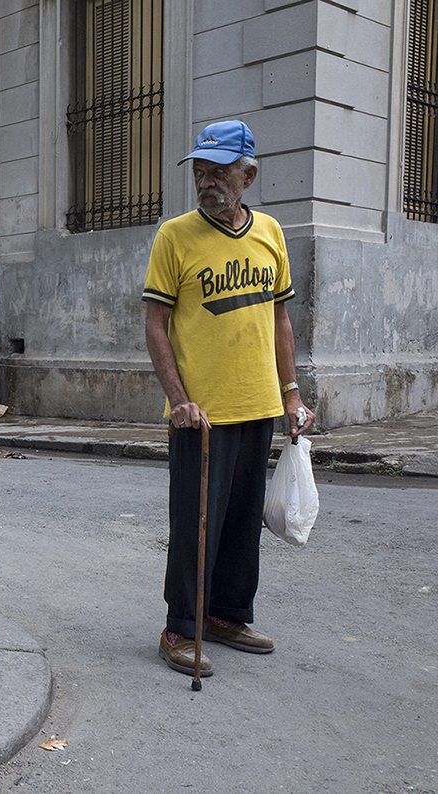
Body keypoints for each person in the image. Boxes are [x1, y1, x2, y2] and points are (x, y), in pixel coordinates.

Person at [142, 119, 316, 678]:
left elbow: (281, 318)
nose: (207, 182)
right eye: (200, 172)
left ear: (249, 175)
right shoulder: (174, 237)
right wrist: (178, 399)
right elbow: (155, 323)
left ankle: (227, 615)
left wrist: (291, 395)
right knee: (196, 523)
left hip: (259, 404)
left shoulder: (269, 232)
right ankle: (181, 628)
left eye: (219, 172)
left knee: (242, 522)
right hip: (202, 416)